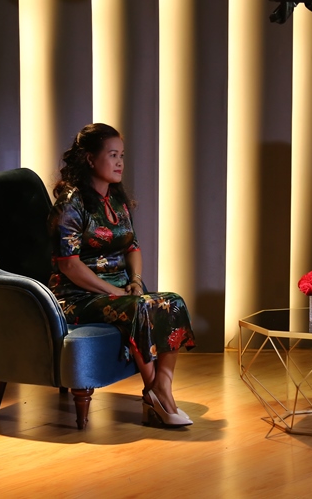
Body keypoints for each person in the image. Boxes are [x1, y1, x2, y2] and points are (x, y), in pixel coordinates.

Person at [47, 123, 196, 427]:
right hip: (77, 296)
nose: (119, 163)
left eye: (122, 156)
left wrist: (136, 282)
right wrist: (113, 291)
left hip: (120, 292)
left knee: (174, 302)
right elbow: (69, 265)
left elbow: (133, 247)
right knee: (140, 308)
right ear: (90, 159)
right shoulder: (71, 202)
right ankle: (159, 396)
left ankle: (161, 387)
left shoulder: (116, 199)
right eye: (112, 155)